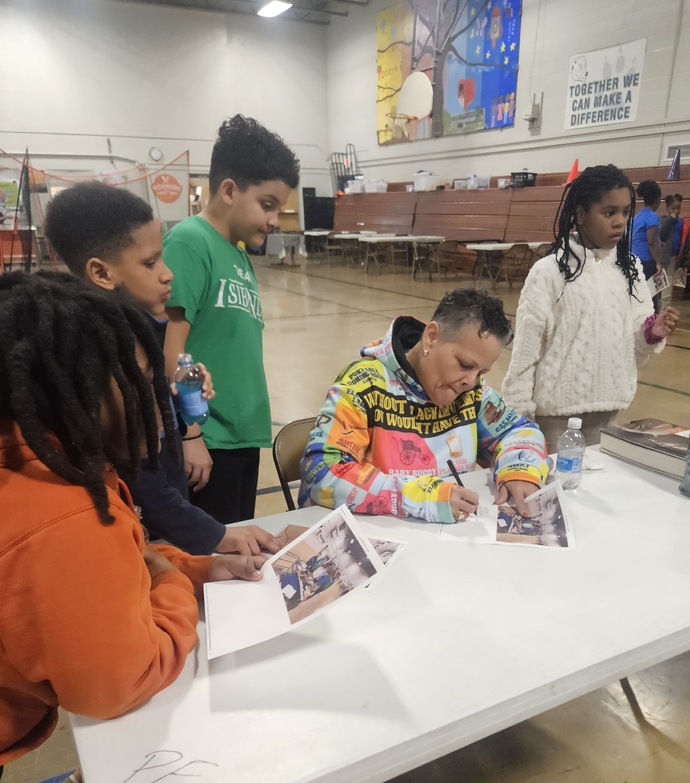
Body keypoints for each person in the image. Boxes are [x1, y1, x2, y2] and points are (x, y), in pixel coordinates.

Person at [0, 272, 265, 783]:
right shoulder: (61, 511)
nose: (154, 407)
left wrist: (188, 566)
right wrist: (181, 592)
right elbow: (118, 677)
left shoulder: (40, 454)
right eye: (139, 384)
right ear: (86, 386)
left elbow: (128, 560)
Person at [44, 181, 278, 558]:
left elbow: (147, 421)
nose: (168, 274)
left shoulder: (140, 331)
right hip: (140, 542)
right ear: (101, 274)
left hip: (162, 532)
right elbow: (141, 481)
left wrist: (178, 405)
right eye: (151, 263)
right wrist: (217, 537)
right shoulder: (105, 356)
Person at [299, 288, 548, 524]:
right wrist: (422, 497)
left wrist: (519, 467)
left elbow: (520, 431)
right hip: (379, 538)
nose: (470, 381)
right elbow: (322, 474)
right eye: (464, 364)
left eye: (481, 371)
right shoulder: (363, 385)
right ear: (431, 338)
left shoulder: (473, 393)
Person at [163, 115, 300, 525]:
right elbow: (170, 350)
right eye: (267, 205)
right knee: (214, 568)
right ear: (228, 191)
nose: (274, 219)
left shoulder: (237, 254)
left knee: (239, 555)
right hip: (209, 441)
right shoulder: (190, 242)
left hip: (241, 437)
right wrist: (191, 435)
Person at [501, 164, 679, 451]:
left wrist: (652, 332)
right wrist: (519, 420)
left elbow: (636, 349)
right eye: (609, 213)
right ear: (581, 215)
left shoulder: (630, 268)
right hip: (555, 421)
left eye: (624, 212)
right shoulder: (547, 272)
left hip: (610, 414)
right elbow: (525, 354)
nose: (620, 222)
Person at [631, 179, 663, 311]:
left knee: (638, 295)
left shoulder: (636, 217)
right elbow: (651, 242)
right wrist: (658, 263)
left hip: (633, 260)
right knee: (651, 296)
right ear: (657, 200)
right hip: (646, 261)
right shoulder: (652, 217)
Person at [659, 193, 690, 304]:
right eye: (673, 208)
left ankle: (664, 309)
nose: (676, 211)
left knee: (668, 285)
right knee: (657, 284)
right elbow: (662, 235)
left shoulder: (682, 223)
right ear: (667, 208)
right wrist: (670, 219)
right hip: (661, 258)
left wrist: (685, 261)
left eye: (678, 208)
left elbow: (686, 243)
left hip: (673, 258)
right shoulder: (663, 220)